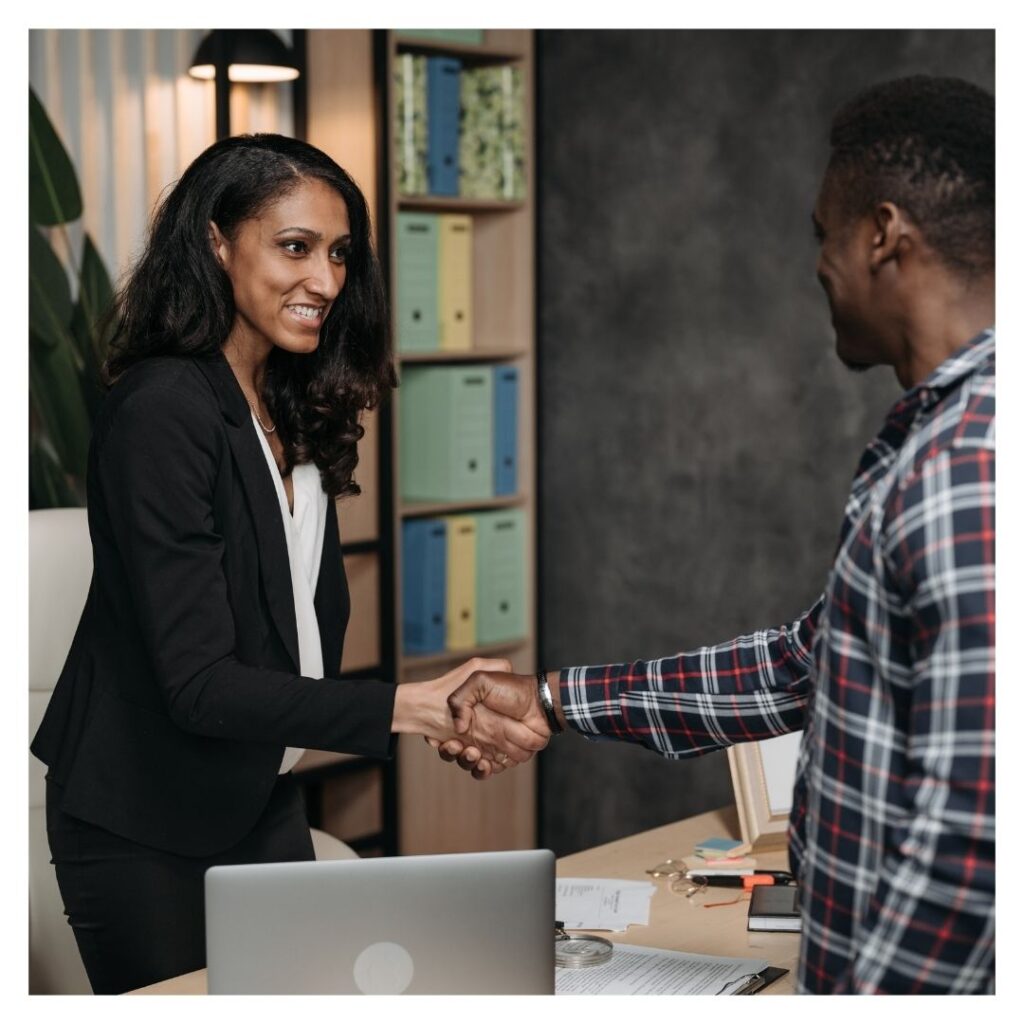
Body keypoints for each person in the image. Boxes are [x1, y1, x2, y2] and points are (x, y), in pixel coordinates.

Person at [434, 75, 996, 994]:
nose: (818, 265)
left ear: (885, 234)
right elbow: (798, 666)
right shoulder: (937, 446)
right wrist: (550, 698)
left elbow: (976, 838)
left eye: (825, 235)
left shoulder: (968, 468)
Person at [30, 133, 540, 995]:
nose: (327, 281)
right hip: (144, 822)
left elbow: (287, 629)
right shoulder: (161, 409)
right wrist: (414, 709)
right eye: (294, 247)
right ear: (217, 243)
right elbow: (198, 684)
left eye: (339, 254)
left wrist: (423, 715)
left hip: (255, 792)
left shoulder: (280, 401)